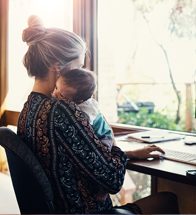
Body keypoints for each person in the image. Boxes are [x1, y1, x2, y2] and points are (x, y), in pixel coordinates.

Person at [17, 15, 179, 214]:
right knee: (168, 200)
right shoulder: (62, 110)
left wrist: (131, 154)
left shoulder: (28, 109)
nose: (81, 74)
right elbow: (112, 181)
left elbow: (73, 158)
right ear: (57, 67)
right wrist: (117, 150)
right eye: (78, 67)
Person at [52, 68, 113, 202]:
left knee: (104, 159)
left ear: (78, 100)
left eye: (60, 94)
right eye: (56, 88)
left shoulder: (86, 109)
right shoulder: (72, 102)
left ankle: (104, 189)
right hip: (96, 135)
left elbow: (84, 126)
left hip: (104, 136)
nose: (55, 93)